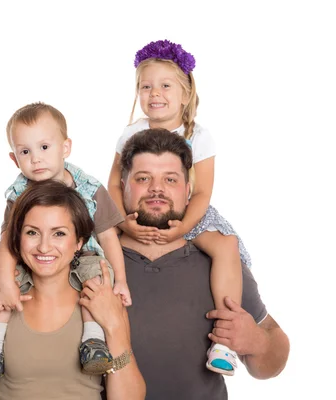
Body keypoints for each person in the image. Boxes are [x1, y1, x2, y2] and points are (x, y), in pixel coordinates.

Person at [108, 39, 247, 375]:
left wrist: (184, 227)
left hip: (188, 213)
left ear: (185, 93)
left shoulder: (198, 135)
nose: (155, 93)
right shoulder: (131, 132)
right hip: (134, 211)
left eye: (165, 85)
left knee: (225, 245)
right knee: (95, 234)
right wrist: (124, 223)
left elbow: (202, 193)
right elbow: (114, 184)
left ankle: (226, 341)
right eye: (146, 86)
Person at [119, 128, 289, 399]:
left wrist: (256, 342)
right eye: (143, 178)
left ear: (188, 191)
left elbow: (274, 353)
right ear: (123, 186)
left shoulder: (222, 263)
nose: (157, 188)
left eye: (170, 179)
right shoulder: (89, 260)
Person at [0, 103, 132, 386]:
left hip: (86, 255)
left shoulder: (90, 188)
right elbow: (7, 244)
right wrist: (6, 282)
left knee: (96, 281)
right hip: (27, 259)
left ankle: (93, 341)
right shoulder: (18, 195)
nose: (36, 159)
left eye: (44, 147)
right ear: (13, 158)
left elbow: (107, 236)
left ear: (65, 147)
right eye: (25, 151)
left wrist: (122, 281)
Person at [0, 180, 145, 399]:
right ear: (17, 239)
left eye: (58, 234)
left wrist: (115, 327)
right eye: (32, 233)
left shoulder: (101, 299)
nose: (44, 247)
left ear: (79, 242)